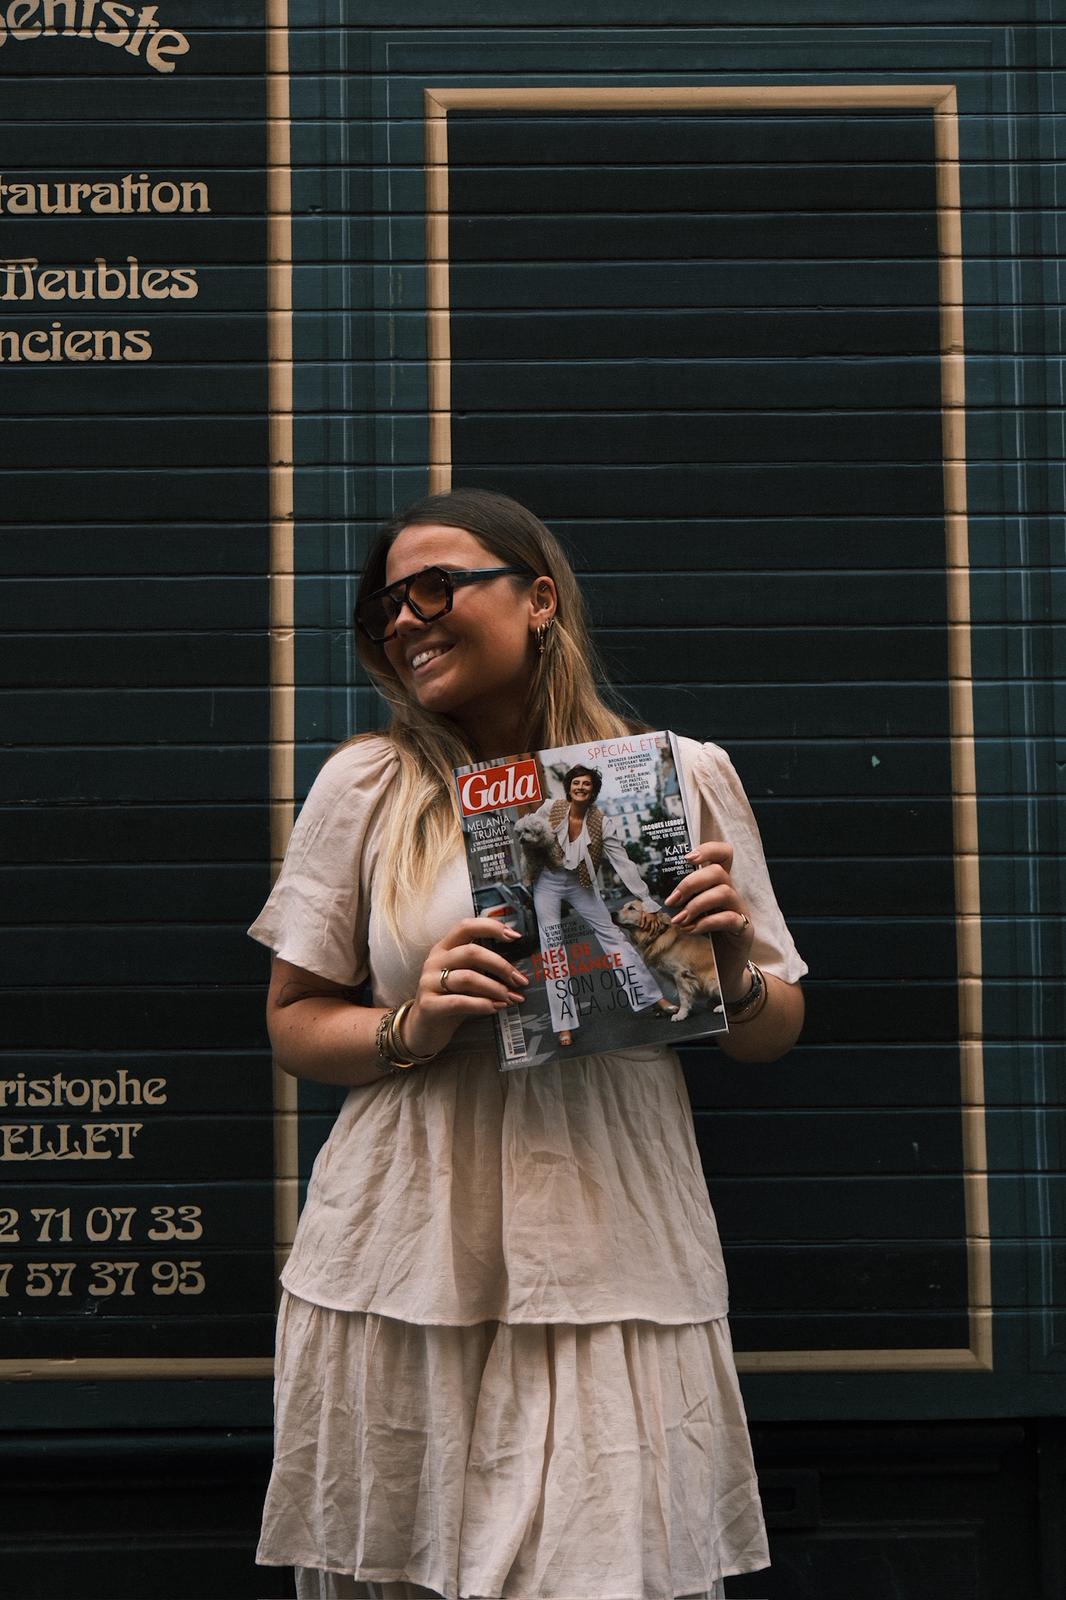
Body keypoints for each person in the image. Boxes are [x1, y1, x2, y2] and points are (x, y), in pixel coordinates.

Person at [249, 488, 807, 1600]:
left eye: (435, 587)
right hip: (407, 1240)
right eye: (387, 606)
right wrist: (413, 1021)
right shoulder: (369, 785)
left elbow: (773, 1027)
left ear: (539, 598)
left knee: (602, 1566)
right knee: (406, 1570)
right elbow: (293, 1020)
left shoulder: (677, 778)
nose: (406, 621)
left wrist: (731, 963)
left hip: (612, 1237)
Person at [529, 762, 678, 1046]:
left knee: (614, 938)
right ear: (569, 787)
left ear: (593, 791)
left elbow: (623, 863)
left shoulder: (602, 823)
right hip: (547, 881)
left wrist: (647, 900)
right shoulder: (550, 808)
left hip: (581, 882)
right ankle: (564, 1025)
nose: (581, 787)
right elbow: (528, 832)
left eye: (587, 783)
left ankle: (654, 998)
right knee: (552, 949)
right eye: (576, 783)